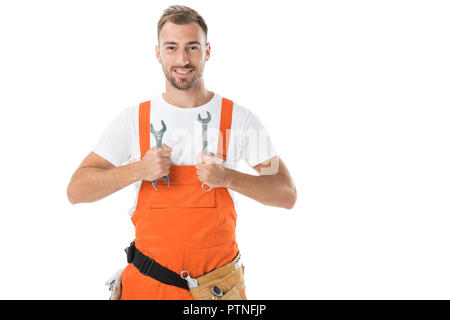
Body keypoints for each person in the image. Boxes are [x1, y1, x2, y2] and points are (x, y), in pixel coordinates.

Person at [67, 5, 297, 300]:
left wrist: (228, 178)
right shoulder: (134, 119)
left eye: (192, 47)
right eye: (172, 47)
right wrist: (139, 169)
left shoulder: (238, 119)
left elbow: (286, 193)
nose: (183, 59)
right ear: (158, 53)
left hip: (217, 292)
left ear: (208, 51)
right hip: (147, 288)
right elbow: (76, 190)